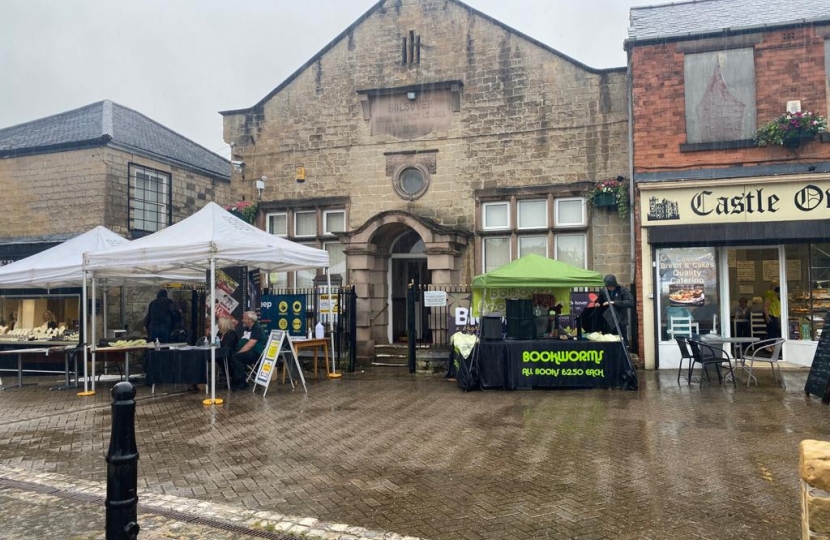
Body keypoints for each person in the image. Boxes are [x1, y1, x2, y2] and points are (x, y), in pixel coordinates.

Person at [231, 311, 266, 391]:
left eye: (244, 319)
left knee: (237, 357)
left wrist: (239, 352)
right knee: (233, 357)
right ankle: (237, 381)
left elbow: (250, 344)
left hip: (256, 354)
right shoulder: (248, 328)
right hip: (249, 353)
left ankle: (241, 382)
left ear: (250, 320)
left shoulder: (257, 329)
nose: (242, 320)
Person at [601, 274, 635, 343]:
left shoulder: (622, 290)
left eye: (610, 286)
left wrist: (614, 302)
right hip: (609, 321)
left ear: (614, 284)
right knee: (611, 342)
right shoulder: (604, 291)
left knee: (623, 341)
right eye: (608, 286)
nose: (609, 288)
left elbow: (631, 302)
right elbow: (600, 300)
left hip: (621, 321)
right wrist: (597, 303)